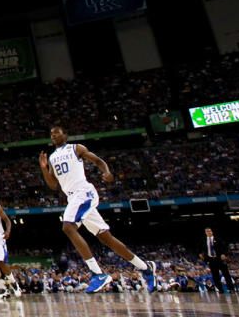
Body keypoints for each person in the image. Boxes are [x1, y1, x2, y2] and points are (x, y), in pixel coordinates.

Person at [39, 124, 156, 293]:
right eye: (51, 134)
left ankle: (97, 273)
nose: (53, 136)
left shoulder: (76, 148)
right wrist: (44, 169)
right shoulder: (52, 157)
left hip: (84, 192)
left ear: (66, 135)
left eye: (57, 133)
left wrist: (106, 171)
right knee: (106, 238)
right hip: (72, 197)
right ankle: (145, 268)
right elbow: (53, 185)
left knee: (68, 226)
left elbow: (98, 160)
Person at [200, 227, 235, 293]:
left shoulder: (218, 239)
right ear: (205, 233)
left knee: (226, 274)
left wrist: (223, 254)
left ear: (212, 232)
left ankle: (231, 289)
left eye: (210, 231)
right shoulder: (203, 240)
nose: (209, 232)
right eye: (207, 231)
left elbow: (224, 246)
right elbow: (200, 248)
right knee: (215, 276)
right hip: (211, 259)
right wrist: (200, 254)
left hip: (219, 258)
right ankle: (220, 289)